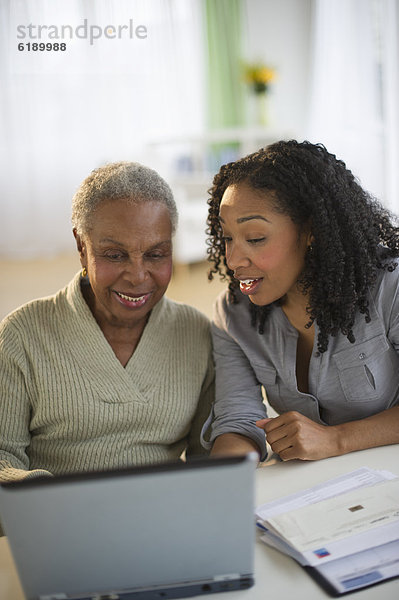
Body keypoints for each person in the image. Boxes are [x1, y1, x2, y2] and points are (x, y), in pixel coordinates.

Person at [0, 161, 214, 484]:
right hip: (63, 523)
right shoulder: (22, 336)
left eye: (156, 254)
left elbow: (209, 457)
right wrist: (44, 494)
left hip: (163, 519)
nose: (138, 276)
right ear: (82, 248)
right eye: (115, 255)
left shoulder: (196, 333)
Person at [201, 140, 399, 462]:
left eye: (254, 238)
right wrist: (226, 479)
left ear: (311, 231)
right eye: (227, 238)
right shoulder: (233, 313)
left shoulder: (389, 286)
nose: (233, 259)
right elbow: (237, 418)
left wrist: (336, 440)